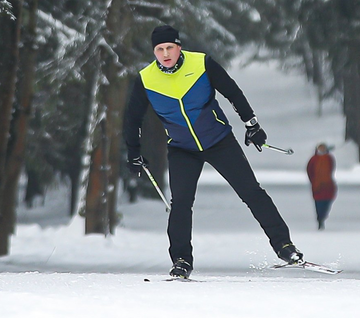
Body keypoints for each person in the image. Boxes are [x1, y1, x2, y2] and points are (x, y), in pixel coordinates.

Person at [123, 25, 303, 279]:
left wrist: (251, 124)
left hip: (219, 141)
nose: (165, 54)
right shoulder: (146, 78)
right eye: (160, 49)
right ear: (154, 52)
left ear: (179, 47)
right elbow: (132, 119)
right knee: (181, 204)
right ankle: (182, 261)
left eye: (170, 48)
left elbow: (232, 92)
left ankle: (284, 246)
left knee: (251, 192)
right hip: (182, 148)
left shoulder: (201, 63)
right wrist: (133, 152)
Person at [307, 143, 337, 230]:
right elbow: (309, 170)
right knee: (318, 203)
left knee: (327, 202)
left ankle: (323, 216)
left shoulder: (329, 158)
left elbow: (331, 168)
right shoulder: (313, 159)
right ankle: (320, 218)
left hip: (328, 185)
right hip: (318, 186)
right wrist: (314, 181)